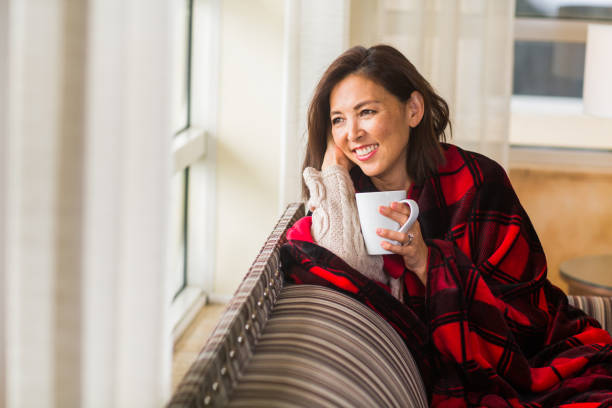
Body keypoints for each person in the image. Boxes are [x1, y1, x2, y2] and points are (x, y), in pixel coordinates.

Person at [280, 44, 612, 407]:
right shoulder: (341, 201)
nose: (352, 133)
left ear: (413, 109)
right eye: (338, 119)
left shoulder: (477, 181)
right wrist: (333, 172)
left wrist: (426, 261)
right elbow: (341, 270)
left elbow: (525, 316)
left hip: (530, 360)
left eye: (367, 112)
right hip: (435, 371)